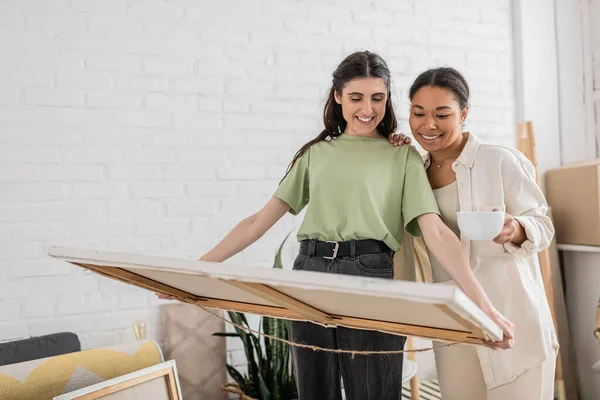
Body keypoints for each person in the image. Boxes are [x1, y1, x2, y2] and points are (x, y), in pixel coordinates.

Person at [157, 52, 514, 400]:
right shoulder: (316, 154)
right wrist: (194, 270)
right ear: (337, 96)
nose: (367, 109)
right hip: (308, 273)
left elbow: (435, 231)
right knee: (314, 392)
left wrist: (484, 305)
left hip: (371, 275)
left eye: (378, 98)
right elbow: (256, 223)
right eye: (356, 97)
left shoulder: (402, 156)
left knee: (372, 391)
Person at [389, 67, 558, 400]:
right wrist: (396, 154)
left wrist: (515, 228)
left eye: (442, 114)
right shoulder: (414, 171)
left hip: (513, 315)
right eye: (418, 113)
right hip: (454, 323)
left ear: (463, 114)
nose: (428, 124)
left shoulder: (499, 161)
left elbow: (544, 225)